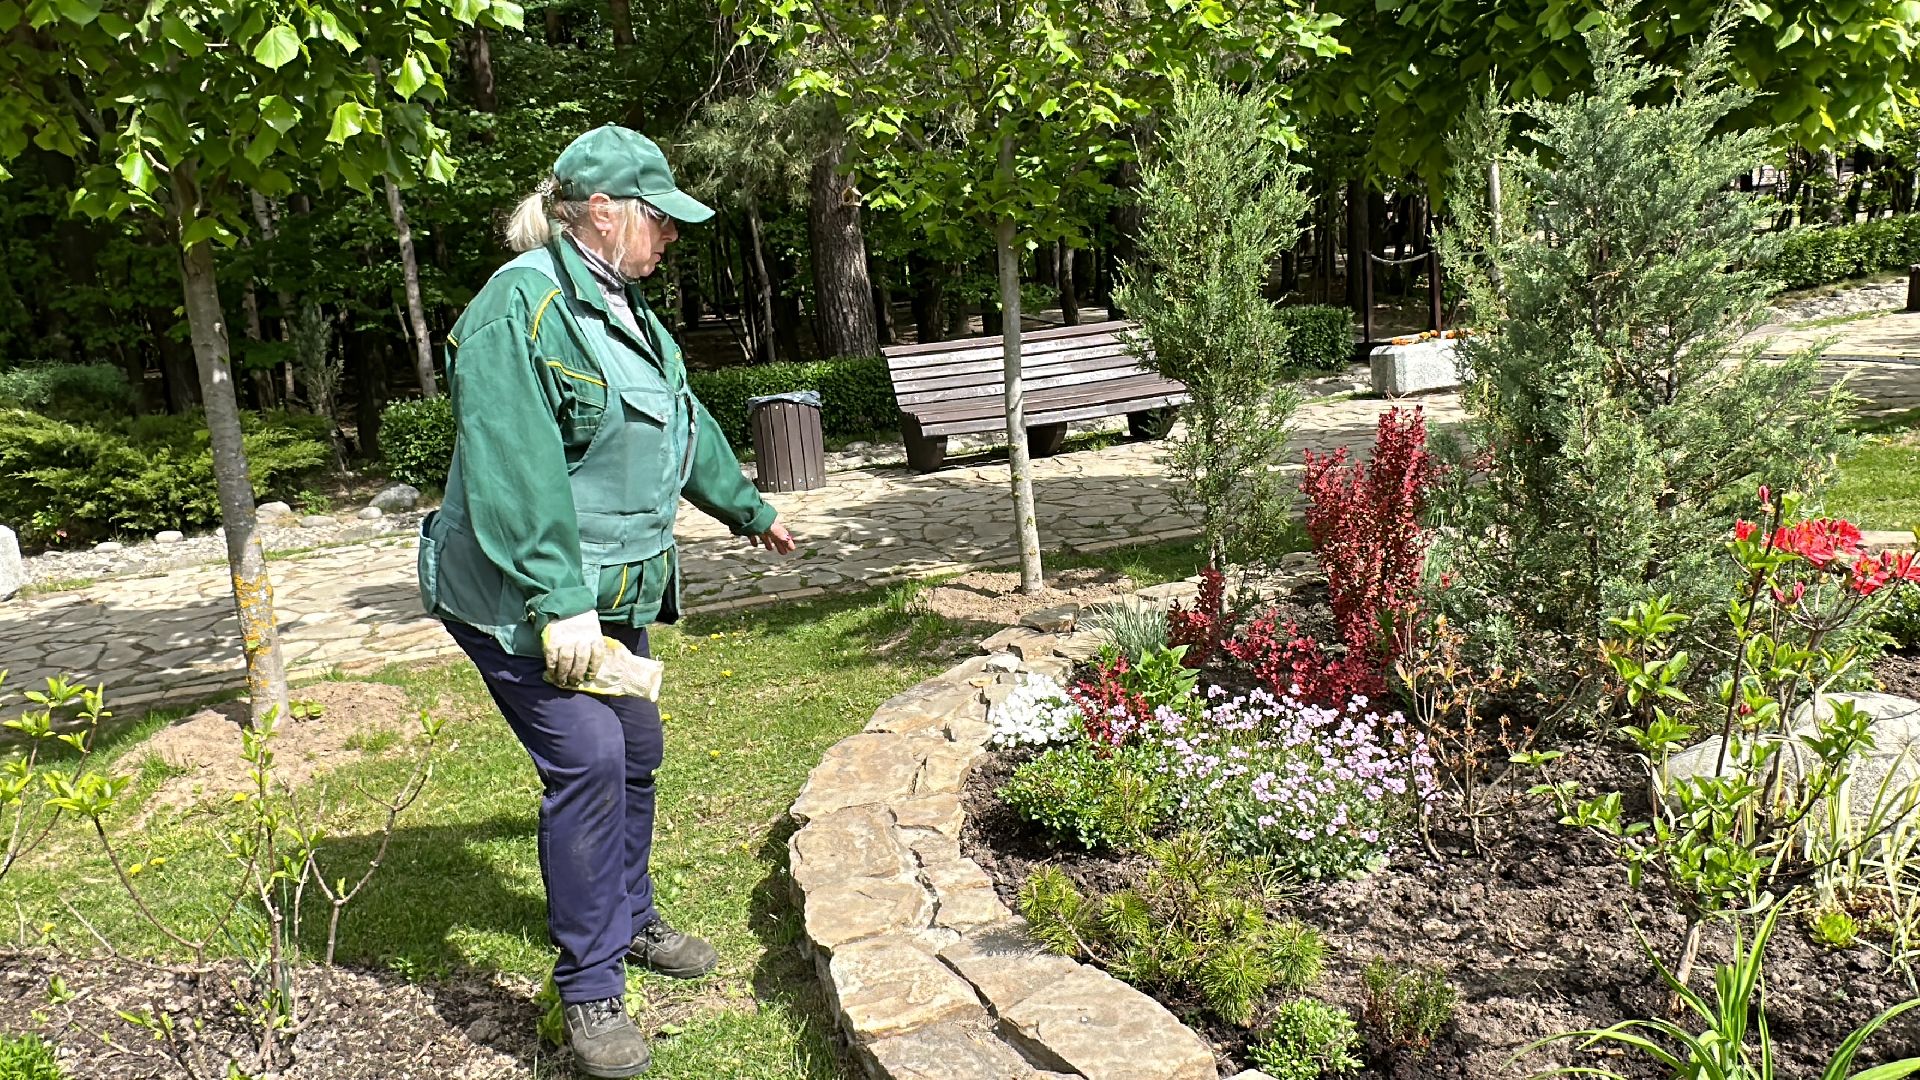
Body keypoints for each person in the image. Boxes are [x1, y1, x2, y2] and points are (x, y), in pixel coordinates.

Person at [417, 124, 795, 1079]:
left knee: (635, 744)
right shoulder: (519, 311)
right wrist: (558, 601)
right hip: (520, 595)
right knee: (586, 756)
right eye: (658, 218)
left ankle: (628, 919)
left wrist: (748, 511)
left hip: (603, 591)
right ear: (600, 211)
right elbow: (515, 469)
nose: (671, 236)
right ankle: (589, 991)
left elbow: (683, 419)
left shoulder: (625, 309)